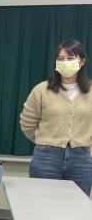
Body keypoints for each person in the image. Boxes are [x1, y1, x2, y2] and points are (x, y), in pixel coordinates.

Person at [20, 39, 92, 196]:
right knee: (43, 202)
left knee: (77, 204)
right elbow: (27, 123)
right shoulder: (41, 90)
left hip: (82, 159)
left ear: (82, 62)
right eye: (61, 58)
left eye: (70, 58)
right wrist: (46, 141)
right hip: (46, 157)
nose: (65, 62)